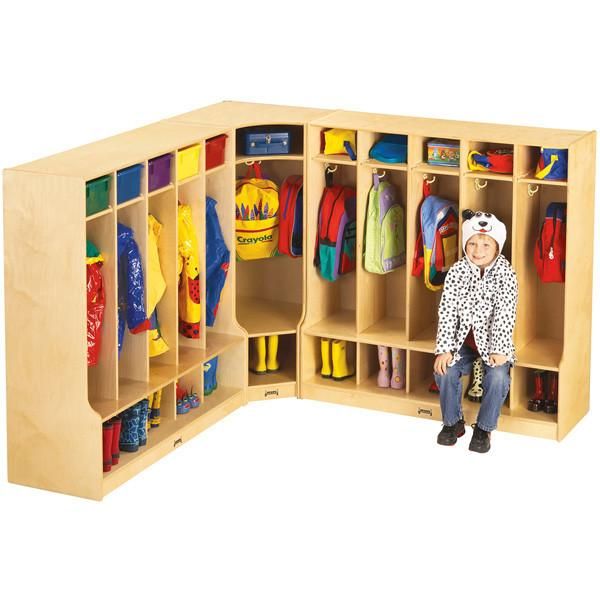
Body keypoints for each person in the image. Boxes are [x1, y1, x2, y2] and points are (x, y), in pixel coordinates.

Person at [433, 210, 518, 453]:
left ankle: (484, 428)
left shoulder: (506, 274)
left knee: (499, 377)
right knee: (444, 371)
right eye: (472, 243)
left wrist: (500, 350)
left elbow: (505, 313)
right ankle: (453, 422)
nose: (477, 250)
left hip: (493, 344)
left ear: (497, 247)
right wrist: (445, 349)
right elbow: (447, 311)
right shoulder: (458, 271)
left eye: (485, 244)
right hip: (463, 344)